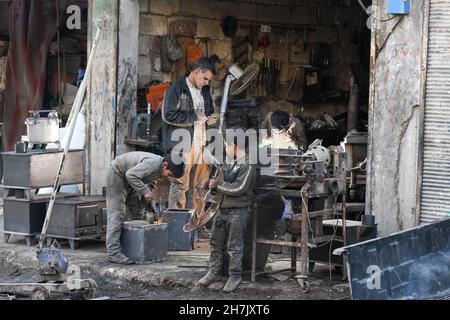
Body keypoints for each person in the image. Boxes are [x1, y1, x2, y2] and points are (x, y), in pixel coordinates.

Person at [198, 128, 256, 293]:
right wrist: (211, 184)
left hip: (238, 211)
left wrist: (219, 185)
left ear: (234, 146)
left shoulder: (248, 164)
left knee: (234, 246)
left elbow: (240, 188)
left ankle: (235, 276)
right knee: (215, 242)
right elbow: (220, 182)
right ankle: (214, 272)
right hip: (221, 209)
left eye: (227, 145)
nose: (225, 148)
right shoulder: (228, 161)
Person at [106, 151, 185, 264]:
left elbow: (149, 181)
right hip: (117, 174)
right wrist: (145, 191)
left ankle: (131, 249)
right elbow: (131, 175)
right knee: (116, 214)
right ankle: (113, 253)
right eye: (169, 174)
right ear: (165, 165)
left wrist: (148, 200)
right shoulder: (153, 163)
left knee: (135, 213)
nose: (168, 177)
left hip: (129, 179)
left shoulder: (159, 168)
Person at [162, 57, 219, 210]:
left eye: (208, 80)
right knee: (181, 185)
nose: (207, 83)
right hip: (182, 144)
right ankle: (176, 224)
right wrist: (195, 117)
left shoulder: (205, 91)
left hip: (200, 142)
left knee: (199, 187)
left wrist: (210, 118)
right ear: (195, 72)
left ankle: (194, 224)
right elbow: (168, 115)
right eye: (205, 78)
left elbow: (208, 112)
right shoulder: (176, 89)